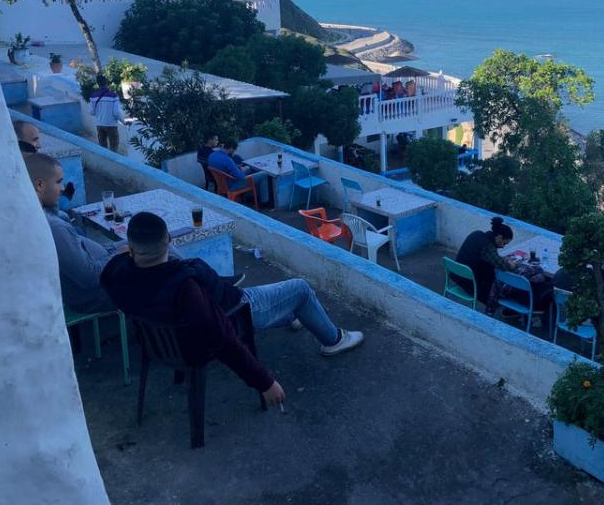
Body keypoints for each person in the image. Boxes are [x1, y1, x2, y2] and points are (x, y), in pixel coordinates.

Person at [100, 212, 364, 406]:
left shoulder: (118, 277)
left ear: (131, 249)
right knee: (300, 288)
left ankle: (297, 315)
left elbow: (133, 260)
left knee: (289, 301)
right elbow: (222, 337)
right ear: (168, 239)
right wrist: (264, 382)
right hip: (236, 311)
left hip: (168, 341)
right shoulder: (186, 287)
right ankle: (334, 339)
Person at [25, 153, 117, 314]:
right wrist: (119, 257)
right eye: (59, 182)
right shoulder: (55, 227)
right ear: (39, 185)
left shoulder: (44, 216)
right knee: (159, 259)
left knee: (155, 244)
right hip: (95, 294)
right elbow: (89, 277)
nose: (62, 188)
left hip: (100, 259)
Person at [453, 217, 554, 316]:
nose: (502, 247)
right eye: (504, 243)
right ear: (500, 237)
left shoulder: (477, 234)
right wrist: (514, 264)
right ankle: (514, 309)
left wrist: (502, 260)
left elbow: (490, 258)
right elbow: (504, 266)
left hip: (457, 274)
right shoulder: (487, 246)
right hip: (471, 283)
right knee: (512, 282)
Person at [208, 140, 271, 207]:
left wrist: (236, 167)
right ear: (231, 148)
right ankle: (265, 202)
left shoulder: (212, 155)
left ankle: (249, 196)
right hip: (232, 185)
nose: (234, 152)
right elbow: (241, 177)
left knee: (249, 169)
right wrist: (242, 170)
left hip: (221, 183)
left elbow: (223, 167)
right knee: (263, 174)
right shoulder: (228, 160)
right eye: (234, 150)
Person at [89, 75, 126, 152]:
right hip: (111, 125)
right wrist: (124, 122)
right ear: (107, 83)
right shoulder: (113, 96)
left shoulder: (93, 96)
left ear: (98, 84)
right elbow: (116, 112)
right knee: (114, 148)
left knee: (103, 149)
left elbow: (91, 112)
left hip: (99, 125)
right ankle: (113, 163)